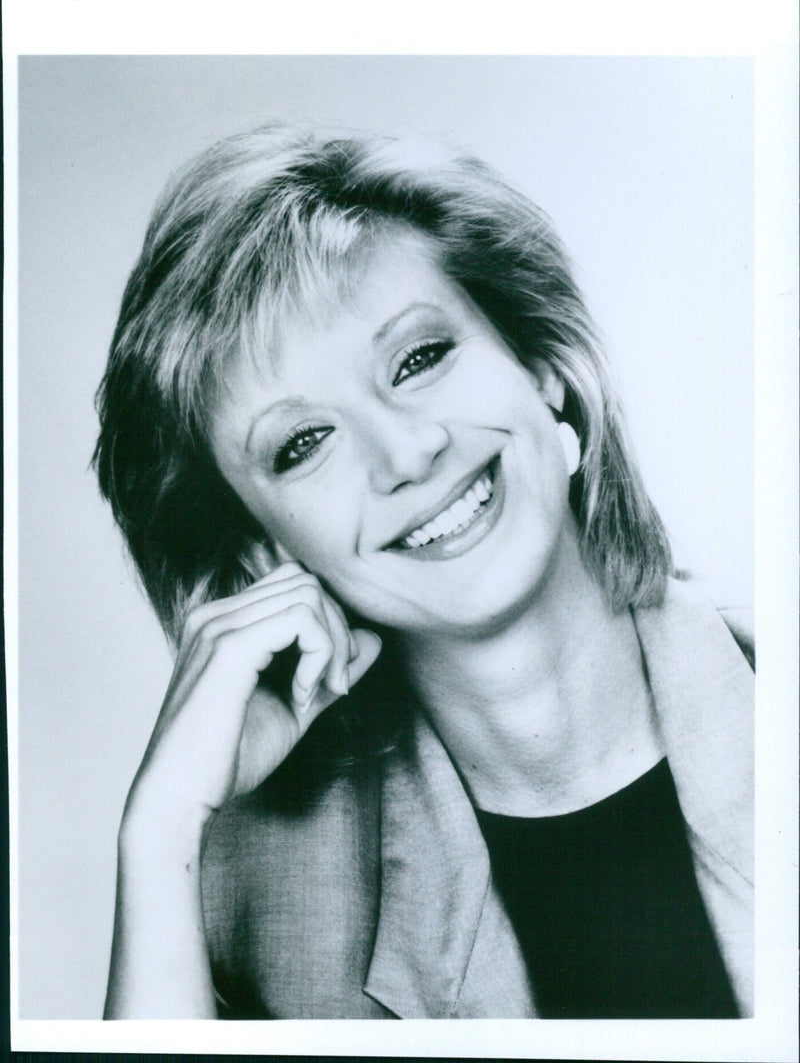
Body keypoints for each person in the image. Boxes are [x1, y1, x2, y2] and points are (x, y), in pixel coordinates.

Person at [94, 124, 753, 1020]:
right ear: (264, 551)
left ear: (543, 366)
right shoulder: (250, 896)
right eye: (303, 444)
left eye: (419, 359)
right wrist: (159, 834)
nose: (405, 453)